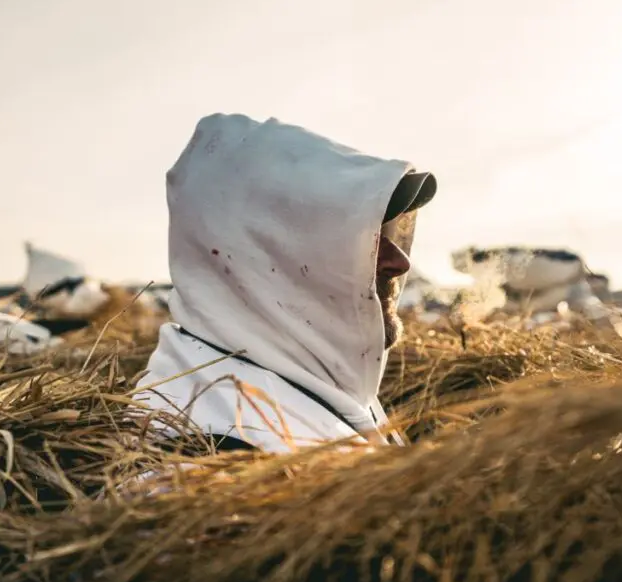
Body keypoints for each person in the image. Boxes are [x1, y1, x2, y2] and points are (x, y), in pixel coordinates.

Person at [135, 113, 436, 454]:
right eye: (360, 237)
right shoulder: (216, 451)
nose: (399, 262)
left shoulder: (300, 381)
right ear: (267, 253)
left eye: (387, 232)